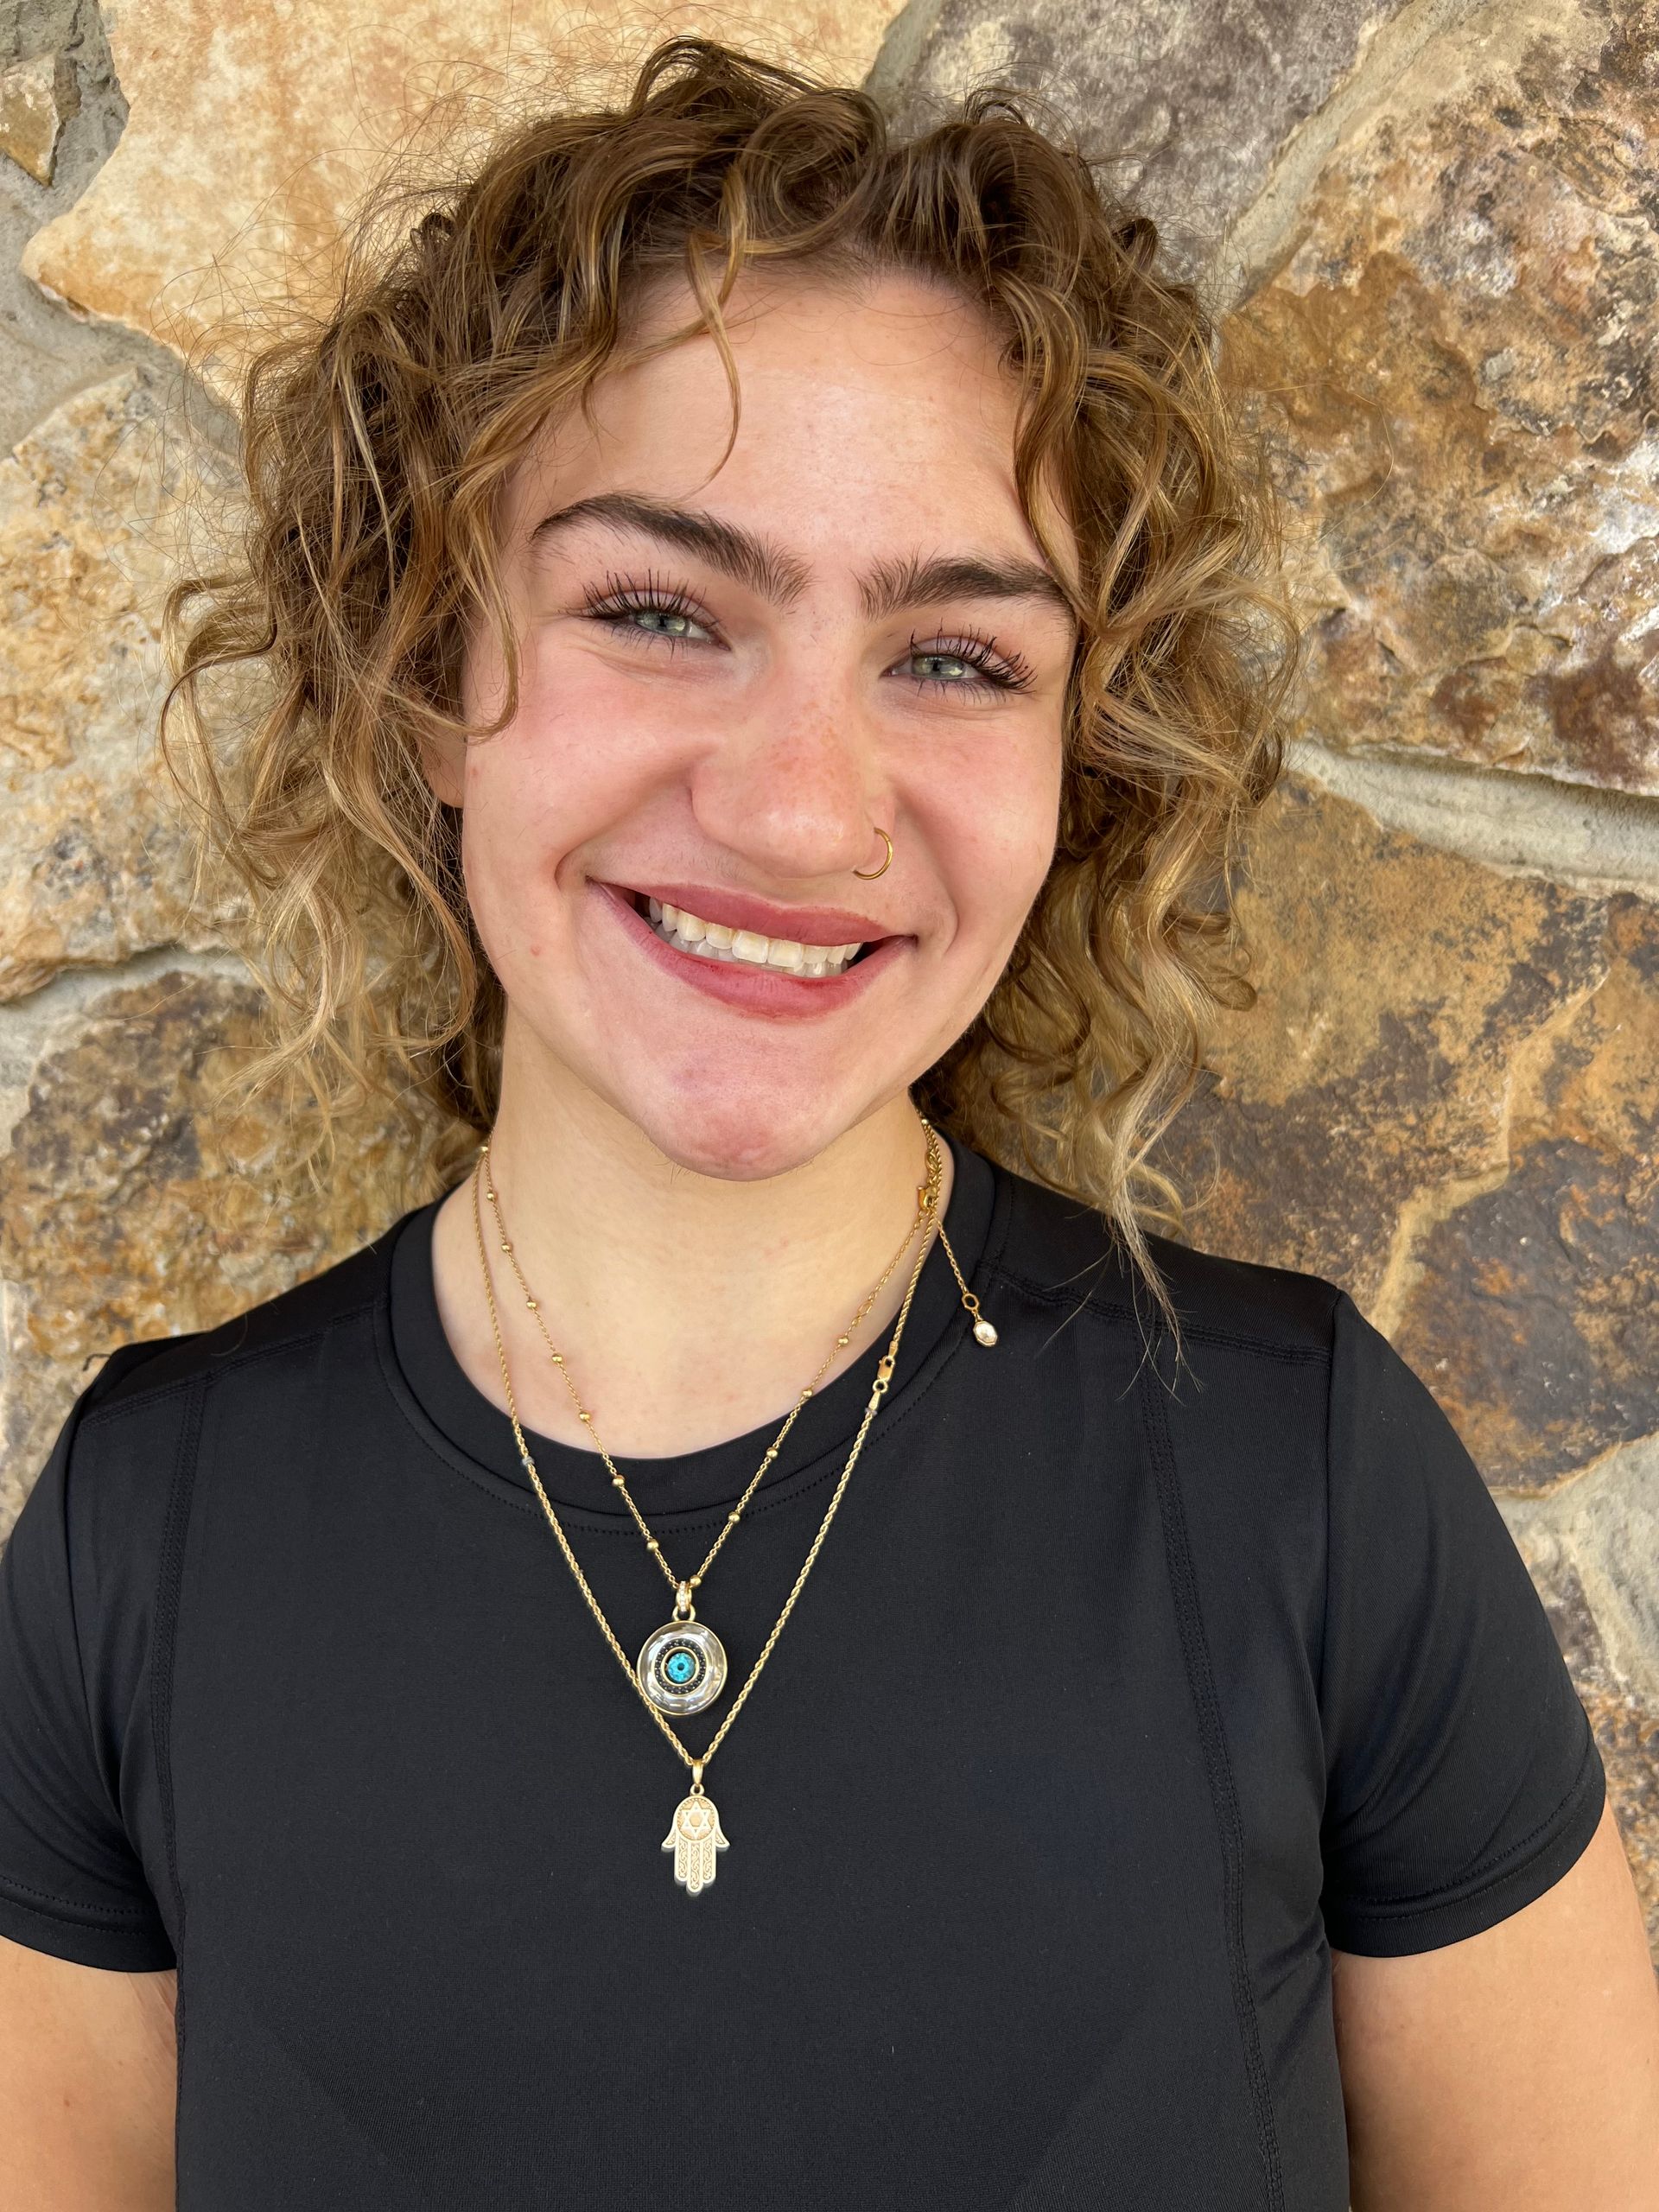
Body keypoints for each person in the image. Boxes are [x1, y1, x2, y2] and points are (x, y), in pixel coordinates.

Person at [2, 35, 1656, 2211]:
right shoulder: (148, 1538)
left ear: (1082, 755)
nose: (801, 805)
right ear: (424, 674)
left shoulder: (1303, 1481)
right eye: (661, 609)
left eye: (958, 657)